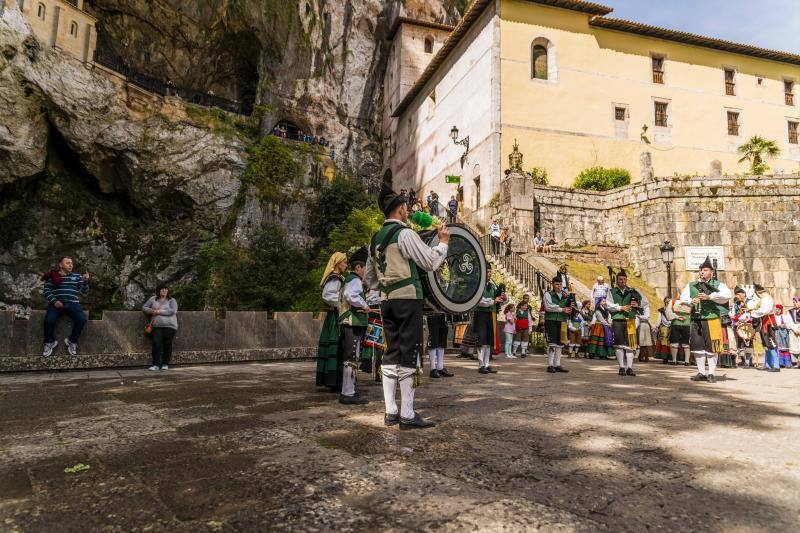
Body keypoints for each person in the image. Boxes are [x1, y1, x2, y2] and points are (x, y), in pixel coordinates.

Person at [364, 183, 449, 429]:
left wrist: (386, 282)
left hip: (386, 301)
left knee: (391, 353)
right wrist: (443, 242)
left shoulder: (374, 240)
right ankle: (408, 414)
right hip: (408, 299)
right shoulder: (405, 234)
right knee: (409, 353)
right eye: (405, 207)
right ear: (401, 209)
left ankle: (390, 412)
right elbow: (431, 261)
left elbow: (369, 279)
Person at [678, 256, 732, 383]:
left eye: (705, 270)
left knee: (712, 346)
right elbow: (682, 298)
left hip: (712, 319)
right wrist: (691, 300)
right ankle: (701, 372)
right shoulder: (692, 285)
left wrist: (710, 297)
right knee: (697, 346)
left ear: (711, 272)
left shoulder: (719, 285)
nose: (702, 272)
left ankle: (711, 373)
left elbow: (727, 296)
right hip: (696, 319)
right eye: (701, 270)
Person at [337, 247, 371, 404]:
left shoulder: (350, 279)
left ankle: (347, 391)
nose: (365, 271)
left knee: (350, 357)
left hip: (350, 322)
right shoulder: (355, 280)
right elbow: (350, 295)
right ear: (358, 267)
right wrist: (364, 305)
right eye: (365, 268)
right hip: (353, 321)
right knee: (351, 357)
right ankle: (348, 393)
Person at [42, 257, 90, 357]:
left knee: (81, 319)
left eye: (71, 263)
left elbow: (84, 292)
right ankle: (49, 342)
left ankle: (72, 341)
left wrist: (85, 281)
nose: (70, 265)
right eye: (67, 263)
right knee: (49, 320)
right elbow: (46, 290)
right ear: (61, 265)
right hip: (57, 304)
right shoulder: (53, 276)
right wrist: (54, 301)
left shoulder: (77, 277)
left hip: (73, 303)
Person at [316, 252, 347, 391]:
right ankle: (333, 381)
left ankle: (335, 380)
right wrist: (343, 303)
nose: (346, 265)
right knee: (335, 345)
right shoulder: (335, 278)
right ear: (337, 263)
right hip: (335, 316)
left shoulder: (339, 278)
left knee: (337, 346)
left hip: (336, 314)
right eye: (344, 262)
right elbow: (327, 296)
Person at [606, 269, 640, 376]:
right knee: (619, 345)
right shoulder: (611, 291)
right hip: (618, 319)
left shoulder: (632, 291)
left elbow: (644, 303)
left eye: (624, 279)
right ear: (617, 280)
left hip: (630, 320)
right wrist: (620, 308)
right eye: (620, 279)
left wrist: (637, 305)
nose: (623, 281)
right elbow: (608, 305)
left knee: (631, 345)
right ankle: (621, 367)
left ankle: (630, 367)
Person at [475, 265, 505, 373]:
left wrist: (503, 298)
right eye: (487, 271)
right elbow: (479, 301)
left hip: (490, 314)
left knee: (488, 340)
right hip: (480, 313)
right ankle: (480, 365)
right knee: (481, 340)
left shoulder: (492, 286)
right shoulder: (478, 285)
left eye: (490, 272)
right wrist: (494, 301)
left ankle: (487, 364)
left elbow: (500, 300)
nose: (489, 274)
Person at [142, 285, 178, 370]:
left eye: (166, 289)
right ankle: (156, 365)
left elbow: (173, 311)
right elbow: (144, 307)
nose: (164, 290)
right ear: (158, 290)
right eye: (162, 289)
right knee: (156, 343)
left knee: (167, 344)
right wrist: (151, 311)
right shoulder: (153, 299)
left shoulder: (172, 300)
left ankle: (165, 363)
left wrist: (159, 311)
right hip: (156, 326)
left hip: (170, 325)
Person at [543, 276, 571, 373]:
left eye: (560, 284)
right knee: (552, 343)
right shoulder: (548, 294)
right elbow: (548, 307)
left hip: (562, 320)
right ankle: (550, 365)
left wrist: (571, 309)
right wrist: (562, 309)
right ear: (553, 284)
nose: (559, 286)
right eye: (556, 284)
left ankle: (557, 364)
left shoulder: (565, 295)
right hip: (551, 320)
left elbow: (570, 306)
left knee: (560, 343)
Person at [750, 284, 778, 372]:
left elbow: (764, 311)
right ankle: (768, 365)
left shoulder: (767, 299)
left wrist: (753, 312)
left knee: (771, 344)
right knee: (766, 345)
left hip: (769, 324)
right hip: (764, 324)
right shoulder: (763, 299)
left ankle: (776, 365)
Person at [732, 287, 755, 368]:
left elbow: (751, 314)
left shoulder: (750, 302)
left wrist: (741, 321)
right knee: (740, 343)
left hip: (748, 326)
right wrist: (735, 320)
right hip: (738, 326)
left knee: (748, 343)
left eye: (738, 294)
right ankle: (743, 359)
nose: (737, 296)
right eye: (736, 295)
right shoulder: (736, 304)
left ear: (743, 294)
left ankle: (748, 361)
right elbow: (733, 314)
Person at [666, 296, 692, 366]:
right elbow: (668, 311)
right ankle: (684, 361)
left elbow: (668, 311)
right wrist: (677, 317)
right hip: (683, 323)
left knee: (682, 342)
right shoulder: (690, 301)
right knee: (679, 341)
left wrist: (676, 317)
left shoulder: (673, 301)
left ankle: (679, 361)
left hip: (680, 323)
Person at [427, 313, 454, 378]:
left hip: (445, 313)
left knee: (442, 341)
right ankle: (432, 369)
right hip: (433, 311)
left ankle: (440, 368)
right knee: (433, 340)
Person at [636, 292, 654, 362]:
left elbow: (647, 317)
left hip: (644, 324)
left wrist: (639, 316)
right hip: (639, 325)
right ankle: (641, 355)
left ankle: (645, 356)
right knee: (640, 341)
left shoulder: (646, 308)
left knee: (645, 341)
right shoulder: (637, 309)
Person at [654, 297, 672, 362]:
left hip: (672, 327)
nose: (668, 303)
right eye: (667, 302)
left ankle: (673, 357)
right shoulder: (661, 310)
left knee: (671, 342)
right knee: (663, 342)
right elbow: (659, 319)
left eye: (669, 302)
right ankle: (665, 357)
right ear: (664, 302)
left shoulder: (674, 309)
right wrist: (657, 326)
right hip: (663, 328)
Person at [788, 297, 800, 366]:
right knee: (794, 348)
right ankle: (798, 361)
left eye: (796, 302)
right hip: (794, 330)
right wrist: (794, 329)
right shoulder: (791, 311)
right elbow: (789, 322)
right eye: (793, 302)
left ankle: (799, 362)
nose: (794, 303)